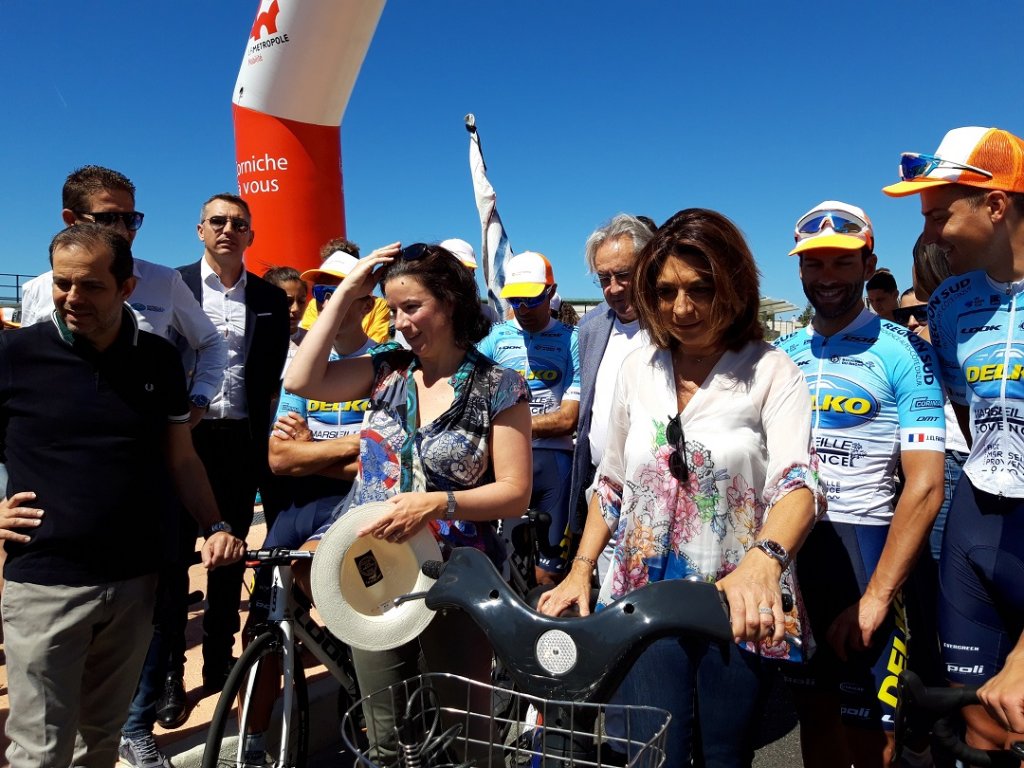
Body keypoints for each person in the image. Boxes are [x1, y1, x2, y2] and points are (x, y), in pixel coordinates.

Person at [538, 209, 821, 768]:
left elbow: (798, 481)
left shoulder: (771, 372)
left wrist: (765, 560)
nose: (682, 309)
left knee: (724, 754)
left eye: (701, 289)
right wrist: (580, 567)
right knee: (650, 752)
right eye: (665, 292)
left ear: (734, 287)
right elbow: (612, 480)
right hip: (641, 595)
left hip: (737, 597)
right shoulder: (638, 367)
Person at [0, 224, 244, 768]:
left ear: (127, 288)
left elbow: (182, 458)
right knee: (40, 752)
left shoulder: (158, 360)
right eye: (63, 284)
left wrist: (216, 524)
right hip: (46, 583)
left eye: (90, 286)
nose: (72, 299)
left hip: (136, 584)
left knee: (100, 745)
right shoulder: (16, 355)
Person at [284, 241, 532, 760]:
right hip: (373, 567)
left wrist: (436, 503)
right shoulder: (385, 370)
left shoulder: (498, 385)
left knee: (469, 736)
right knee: (386, 732)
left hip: (455, 574)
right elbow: (301, 379)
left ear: (451, 302)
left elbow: (514, 492)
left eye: (412, 307)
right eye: (392, 309)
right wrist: (349, 289)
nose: (399, 322)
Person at [774, 201, 946, 768]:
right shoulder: (785, 355)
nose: (827, 278)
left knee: (874, 735)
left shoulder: (905, 351)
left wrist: (876, 598)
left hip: (867, 546)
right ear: (799, 269)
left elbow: (925, 486)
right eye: (815, 263)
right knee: (814, 718)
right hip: (798, 547)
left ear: (869, 263)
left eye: (842, 263)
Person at [883, 125, 1024, 748]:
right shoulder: (948, 304)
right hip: (979, 515)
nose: (930, 236)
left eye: (940, 216)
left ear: (995, 205)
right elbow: (971, 420)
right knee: (978, 720)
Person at [237, 251, 376, 765]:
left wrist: (312, 449)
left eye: (341, 289)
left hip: (358, 507)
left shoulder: (387, 361)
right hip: (297, 507)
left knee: (358, 609)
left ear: (365, 298)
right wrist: (351, 448)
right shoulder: (301, 368)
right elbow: (278, 458)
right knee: (264, 622)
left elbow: (381, 466)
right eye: (322, 291)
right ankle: (253, 743)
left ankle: (368, 702)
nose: (328, 300)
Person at [176, 193, 290, 694]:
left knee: (230, 556)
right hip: (182, 440)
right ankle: (167, 678)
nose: (227, 229)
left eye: (237, 223)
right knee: (173, 559)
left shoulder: (268, 300)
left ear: (250, 236)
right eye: (217, 221)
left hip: (240, 443)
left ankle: (218, 663)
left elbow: (270, 379)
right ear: (200, 230)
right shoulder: (172, 285)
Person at [18, 165, 227, 427]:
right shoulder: (37, 289)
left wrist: (198, 401)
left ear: (127, 289)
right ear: (71, 219)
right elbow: (25, 364)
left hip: (142, 444)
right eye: (107, 218)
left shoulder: (164, 282)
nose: (122, 230)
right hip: (58, 440)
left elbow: (212, 343)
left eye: (130, 219)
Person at [477, 251, 580, 583]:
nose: (522, 310)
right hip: (504, 464)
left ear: (550, 292)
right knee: (502, 567)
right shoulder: (495, 338)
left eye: (531, 300)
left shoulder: (571, 339)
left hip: (555, 463)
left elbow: (567, 420)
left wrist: (506, 427)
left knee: (548, 573)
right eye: (515, 301)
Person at [568, 214, 655, 579]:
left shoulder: (675, 324)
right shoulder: (591, 328)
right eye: (604, 279)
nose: (614, 288)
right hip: (602, 493)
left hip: (659, 497)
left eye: (624, 275)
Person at [296, 237, 391, 343]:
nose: (326, 305)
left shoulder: (378, 305)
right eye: (319, 291)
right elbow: (308, 340)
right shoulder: (315, 303)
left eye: (338, 293)